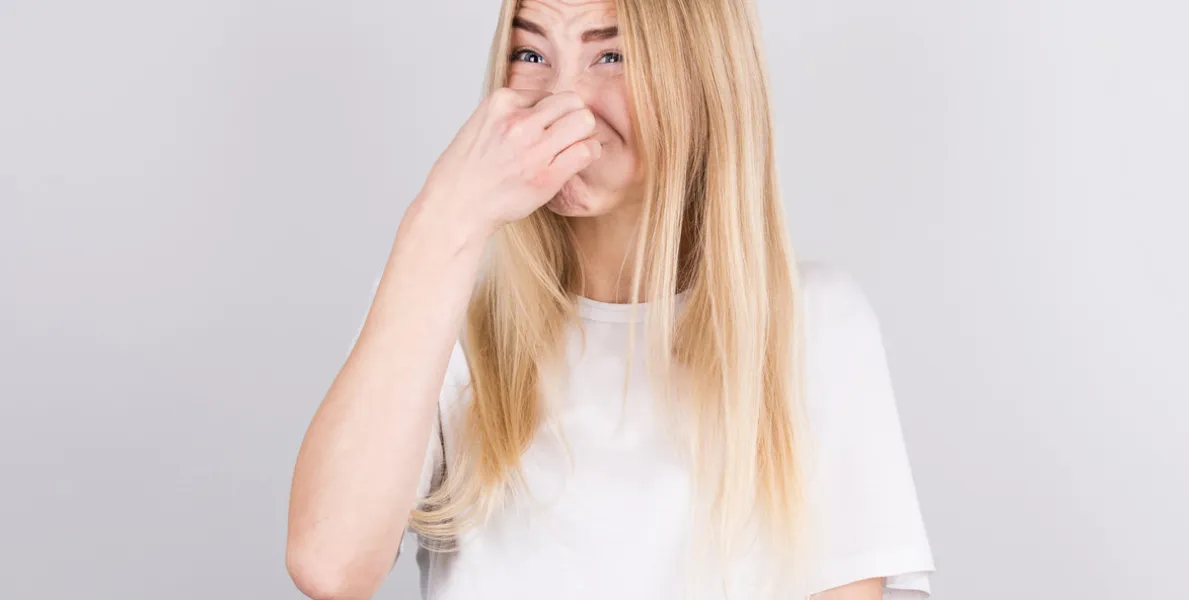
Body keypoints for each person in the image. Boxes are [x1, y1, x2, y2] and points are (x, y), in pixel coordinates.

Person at [286, 0, 935, 598]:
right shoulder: (439, 306)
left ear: (703, 80)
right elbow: (329, 564)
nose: (562, 103)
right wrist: (440, 222)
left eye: (611, 56)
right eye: (531, 55)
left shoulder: (814, 325)